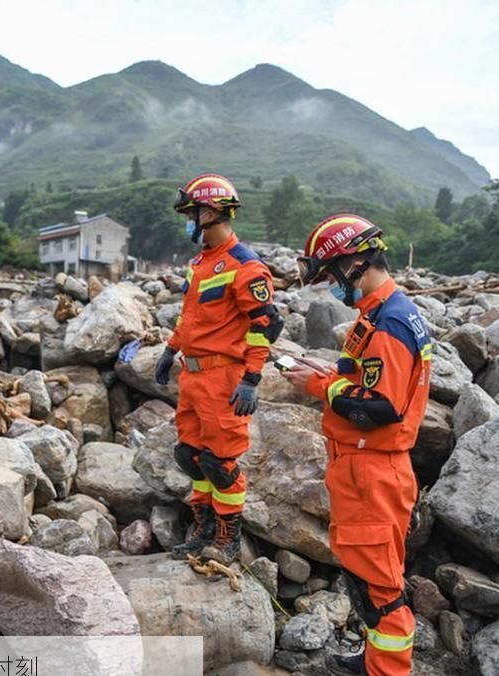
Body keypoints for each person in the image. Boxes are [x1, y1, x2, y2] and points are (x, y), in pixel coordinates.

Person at [281, 214, 431, 676]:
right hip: (363, 468)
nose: (331, 287)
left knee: (380, 591)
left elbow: (380, 406)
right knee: (366, 577)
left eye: (331, 275)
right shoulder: (381, 313)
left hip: (373, 470)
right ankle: (374, 660)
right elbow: (366, 382)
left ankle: (388, 670)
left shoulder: (389, 324)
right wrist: (324, 374)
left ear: (355, 263)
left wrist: (317, 388)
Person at [155, 173, 283, 564]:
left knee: (220, 462)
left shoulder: (246, 266)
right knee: (189, 455)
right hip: (192, 375)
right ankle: (203, 529)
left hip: (224, 377)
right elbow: (191, 317)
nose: (188, 221)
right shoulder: (199, 263)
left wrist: (251, 379)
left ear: (211, 212)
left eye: (192, 213)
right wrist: (169, 350)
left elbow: (266, 325)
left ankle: (227, 539)